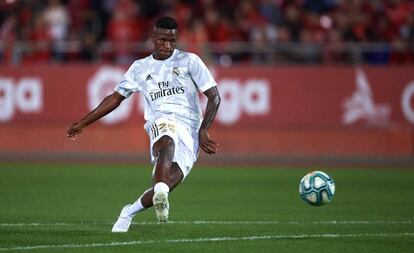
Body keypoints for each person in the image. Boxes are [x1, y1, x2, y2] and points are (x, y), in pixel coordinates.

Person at [66, 16, 221, 233]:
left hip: (191, 129)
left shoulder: (190, 61)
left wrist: (204, 130)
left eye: (172, 41)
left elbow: (214, 96)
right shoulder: (140, 68)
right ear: (153, 38)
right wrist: (84, 122)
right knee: (166, 142)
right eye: (163, 40)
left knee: (167, 185)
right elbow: (115, 97)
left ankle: (128, 211)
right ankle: (160, 190)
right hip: (161, 120)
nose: (168, 45)